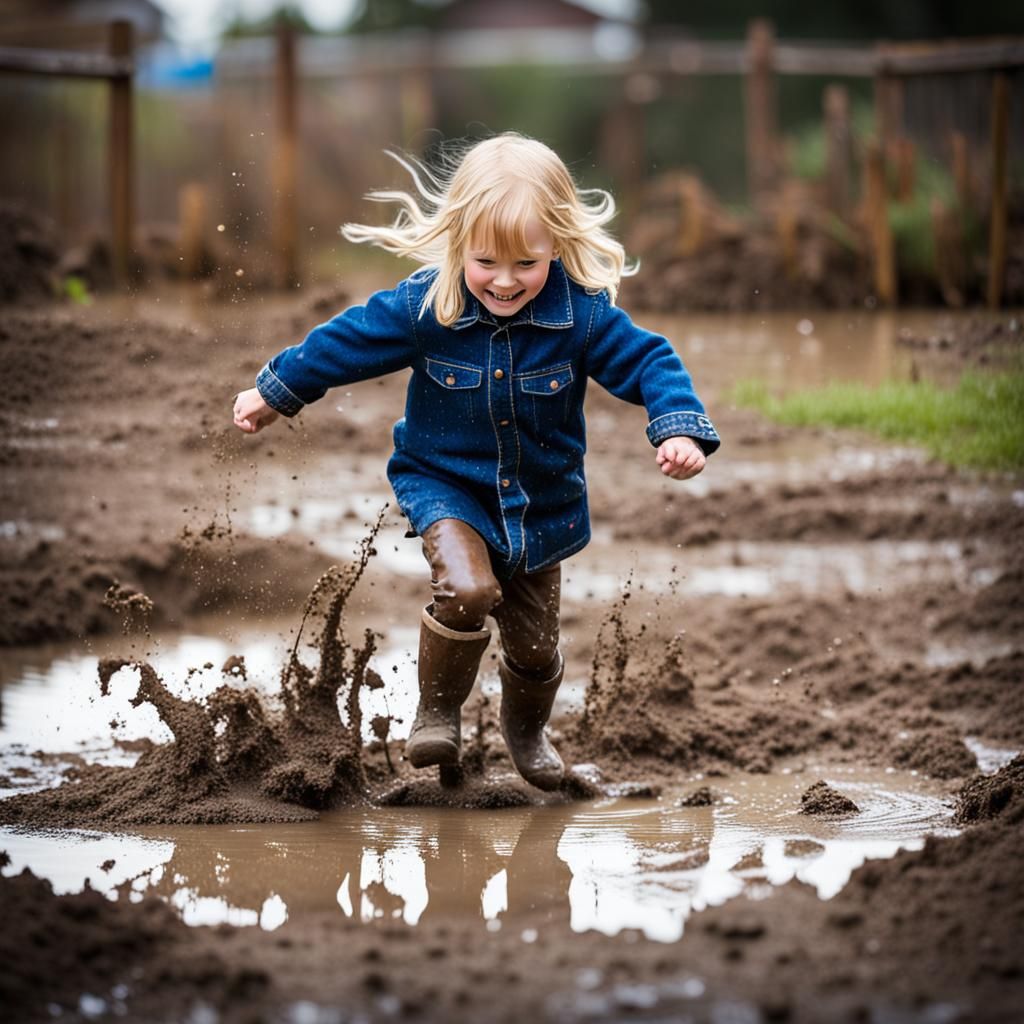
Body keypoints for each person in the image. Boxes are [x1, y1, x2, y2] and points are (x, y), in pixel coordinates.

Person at [233, 133, 720, 791]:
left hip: (540, 505)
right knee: (468, 589)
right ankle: (437, 710)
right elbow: (340, 344)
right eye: (486, 260)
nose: (506, 279)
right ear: (459, 242)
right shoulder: (424, 306)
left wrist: (676, 428)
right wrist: (276, 391)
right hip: (445, 484)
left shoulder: (581, 316)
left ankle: (528, 735)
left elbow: (649, 359)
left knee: (535, 646)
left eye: (528, 261)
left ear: (557, 245)